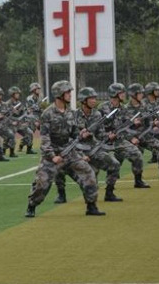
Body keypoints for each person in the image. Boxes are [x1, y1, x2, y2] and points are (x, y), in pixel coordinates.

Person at [25, 81, 105, 217]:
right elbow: (45, 139)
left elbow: (74, 135)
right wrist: (52, 156)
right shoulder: (47, 114)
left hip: (70, 152)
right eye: (67, 92)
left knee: (88, 173)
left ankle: (91, 206)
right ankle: (31, 206)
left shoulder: (71, 113)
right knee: (42, 184)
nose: (70, 95)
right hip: (53, 154)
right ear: (59, 94)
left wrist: (82, 137)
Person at [98, 83, 151, 189]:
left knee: (137, 154)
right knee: (97, 164)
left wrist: (135, 124)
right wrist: (106, 135)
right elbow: (97, 126)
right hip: (103, 140)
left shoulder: (123, 108)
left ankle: (138, 181)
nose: (123, 95)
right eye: (121, 93)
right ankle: (104, 185)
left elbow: (127, 125)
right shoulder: (103, 108)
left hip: (118, 139)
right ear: (115, 94)